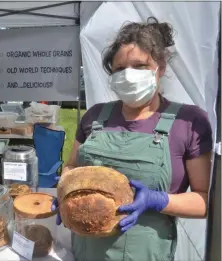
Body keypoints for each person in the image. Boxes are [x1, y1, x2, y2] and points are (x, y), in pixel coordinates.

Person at [52, 17, 213, 261]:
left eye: (140, 66)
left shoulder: (188, 122)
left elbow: (203, 201)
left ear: (161, 66)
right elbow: (72, 167)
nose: (129, 76)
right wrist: (64, 192)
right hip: (86, 250)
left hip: (146, 252)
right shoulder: (96, 115)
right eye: (120, 69)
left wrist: (157, 200)